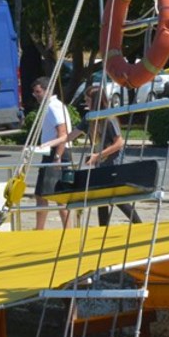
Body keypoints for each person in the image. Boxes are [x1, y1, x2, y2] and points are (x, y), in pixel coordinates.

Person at [49, 86, 142, 226]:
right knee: (101, 197)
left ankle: (138, 223)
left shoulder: (109, 117)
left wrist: (97, 155)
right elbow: (70, 136)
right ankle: (103, 227)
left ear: (96, 100)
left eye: (88, 100)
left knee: (115, 197)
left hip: (113, 164)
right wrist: (49, 143)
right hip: (100, 164)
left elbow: (119, 143)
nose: (85, 102)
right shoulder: (89, 118)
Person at [32, 76, 73, 229]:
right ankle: (65, 228)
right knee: (53, 196)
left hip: (57, 153)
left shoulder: (53, 106)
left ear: (48, 90)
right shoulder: (51, 106)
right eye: (34, 92)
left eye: (38, 92)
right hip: (54, 153)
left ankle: (40, 230)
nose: (36, 95)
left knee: (47, 195)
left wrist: (57, 157)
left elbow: (63, 133)